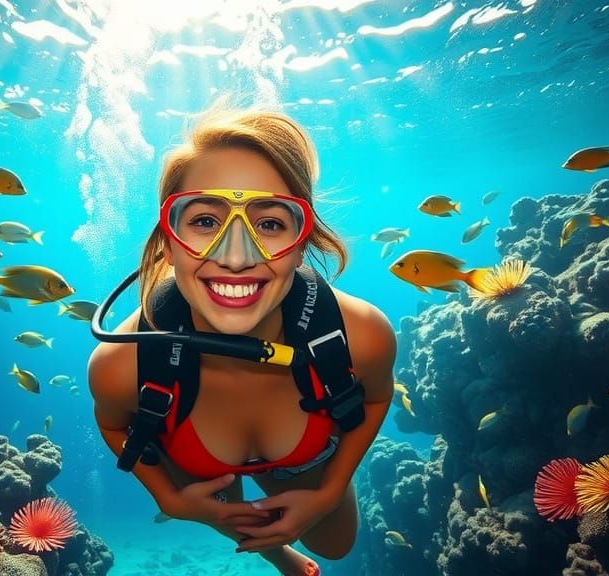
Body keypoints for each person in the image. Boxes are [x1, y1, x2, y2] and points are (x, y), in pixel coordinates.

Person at [88, 106, 395, 576]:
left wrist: (329, 492)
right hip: (199, 461)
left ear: (302, 239)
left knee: (335, 546)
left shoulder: (361, 335)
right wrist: (172, 499)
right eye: (205, 221)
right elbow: (113, 425)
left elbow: (377, 395)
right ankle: (276, 553)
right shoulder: (119, 363)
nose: (236, 257)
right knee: (222, 510)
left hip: (301, 460)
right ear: (167, 240)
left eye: (270, 224)